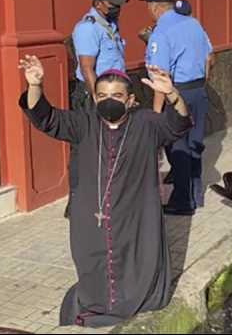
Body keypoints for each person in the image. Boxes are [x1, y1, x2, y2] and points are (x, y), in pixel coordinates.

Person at [18, 56, 192, 327]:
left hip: (135, 212)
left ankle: (136, 298)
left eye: (116, 95)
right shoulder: (83, 123)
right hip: (92, 211)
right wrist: (36, 85)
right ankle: (98, 301)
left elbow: (179, 124)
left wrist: (172, 94)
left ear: (131, 99)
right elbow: (46, 118)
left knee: (136, 260)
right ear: (94, 98)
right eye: (101, 95)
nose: (108, 101)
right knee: (93, 259)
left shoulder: (146, 122)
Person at [142, 0, 214, 215]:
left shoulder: (160, 32)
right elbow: (210, 57)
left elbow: (160, 77)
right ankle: (196, 194)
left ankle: (182, 201)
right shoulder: (193, 23)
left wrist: (156, 115)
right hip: (199, 91)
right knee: (194, 144)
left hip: (176, 93)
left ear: (154, 7)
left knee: (177, 147)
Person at [66, 0, 129, 218]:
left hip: (113, 92)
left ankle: (105, 196)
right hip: (92, 94)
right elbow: (87, 67)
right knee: (84, 148)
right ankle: (76, 200)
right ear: (99, 3)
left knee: (108, 146)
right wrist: (98, 100)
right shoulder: (87, 28)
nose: (117, 8)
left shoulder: (110, 25)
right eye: (113, 4)